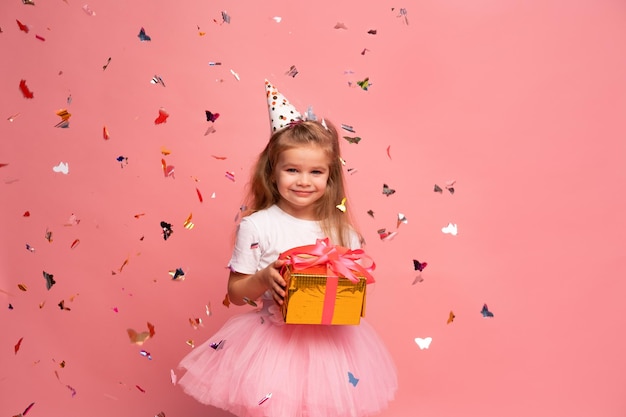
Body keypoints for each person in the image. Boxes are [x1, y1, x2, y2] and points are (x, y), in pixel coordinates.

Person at [177, 80, 397, 417]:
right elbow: (236, 293)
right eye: (292, 170)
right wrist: (265, 278)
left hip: (333, 351)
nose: (303, 181)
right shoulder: (258, 225)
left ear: (330, 177)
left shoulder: (343, 231)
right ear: (273, 172)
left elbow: (352, 291)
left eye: (316, 172)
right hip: (273, 346)